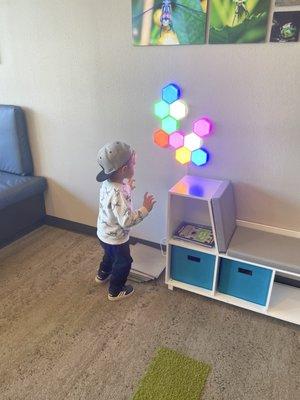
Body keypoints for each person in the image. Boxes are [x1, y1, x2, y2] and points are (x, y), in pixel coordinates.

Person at [95, 141, 155, 301]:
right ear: (124, 170)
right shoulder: (119, 193)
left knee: (109, 255)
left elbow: (114, 198)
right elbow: (127, 221)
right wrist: (145, 209)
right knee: (124, 262)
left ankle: (102, 274)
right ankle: (115, 290)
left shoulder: (107, 183)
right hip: (117, 239)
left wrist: (128, 187)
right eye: (133, 164)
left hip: (103, 232)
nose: (135, 166)